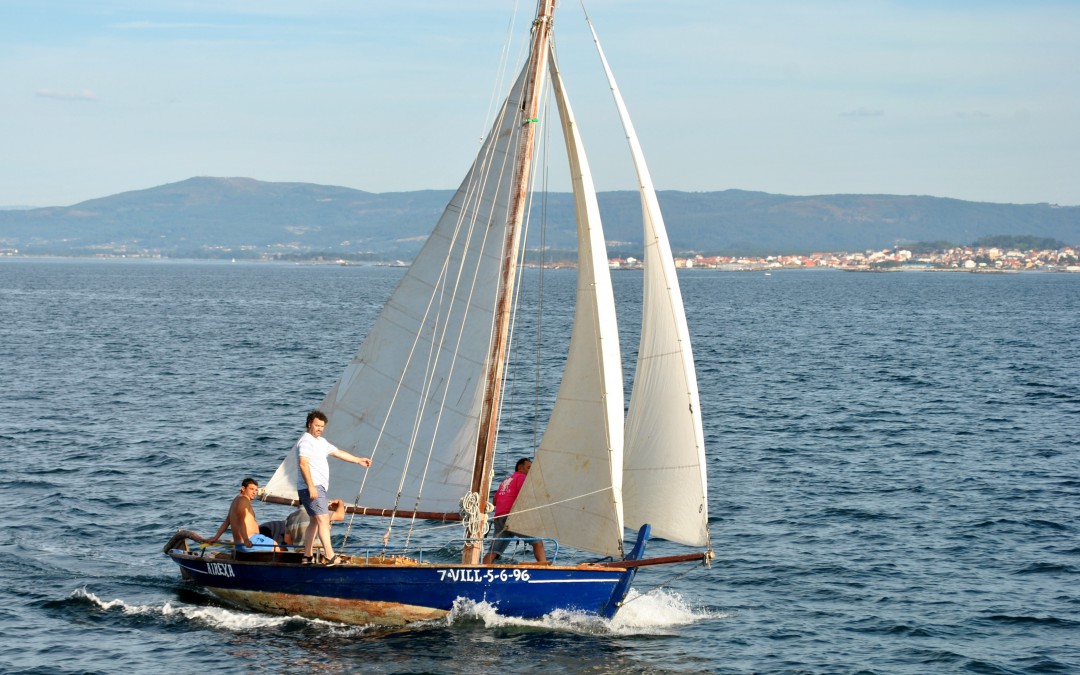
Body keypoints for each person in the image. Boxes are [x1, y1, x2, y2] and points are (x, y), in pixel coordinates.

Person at [295, 410, 372, 566]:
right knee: (323, 519)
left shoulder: (321, 442)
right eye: (317, 425)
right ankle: (330, 556)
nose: (320, 429)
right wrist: (311, 486)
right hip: (312, 487)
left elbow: (338, 453)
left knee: (315, 522)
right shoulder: (305, 441)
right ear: (310, 424)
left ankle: (307, 556)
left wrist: (358, 460)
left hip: (318, 487)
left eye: (322, 426)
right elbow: (303, 464)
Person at [482, 458, 547, 564]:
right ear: (520, 468)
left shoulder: (505, 481)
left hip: (499, 519)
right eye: (528, 468)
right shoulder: (521, 477)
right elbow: (526, 494)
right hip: (512, 517)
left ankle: (483, 568)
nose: (531, 471)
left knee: (493, 551)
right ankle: (545, 568)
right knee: (537, 542)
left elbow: (494, 501)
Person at [209, 477, 278, 553]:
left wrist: (216, 538)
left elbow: (227, 521)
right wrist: (246, 540)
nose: (254, 492)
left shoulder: (236, 500)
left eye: (256, 490)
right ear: (243, 488)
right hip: (251, 541)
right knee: (279, 548)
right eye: (251, 489)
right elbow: (241, 520)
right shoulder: (244, 500)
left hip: (240, 545)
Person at [260, 499, 347, 548]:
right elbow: (340, 515)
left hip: (300, 556)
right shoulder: (320, 514)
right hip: (318, 555)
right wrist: (340, 503)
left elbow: (288, 541)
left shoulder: (290, 517)